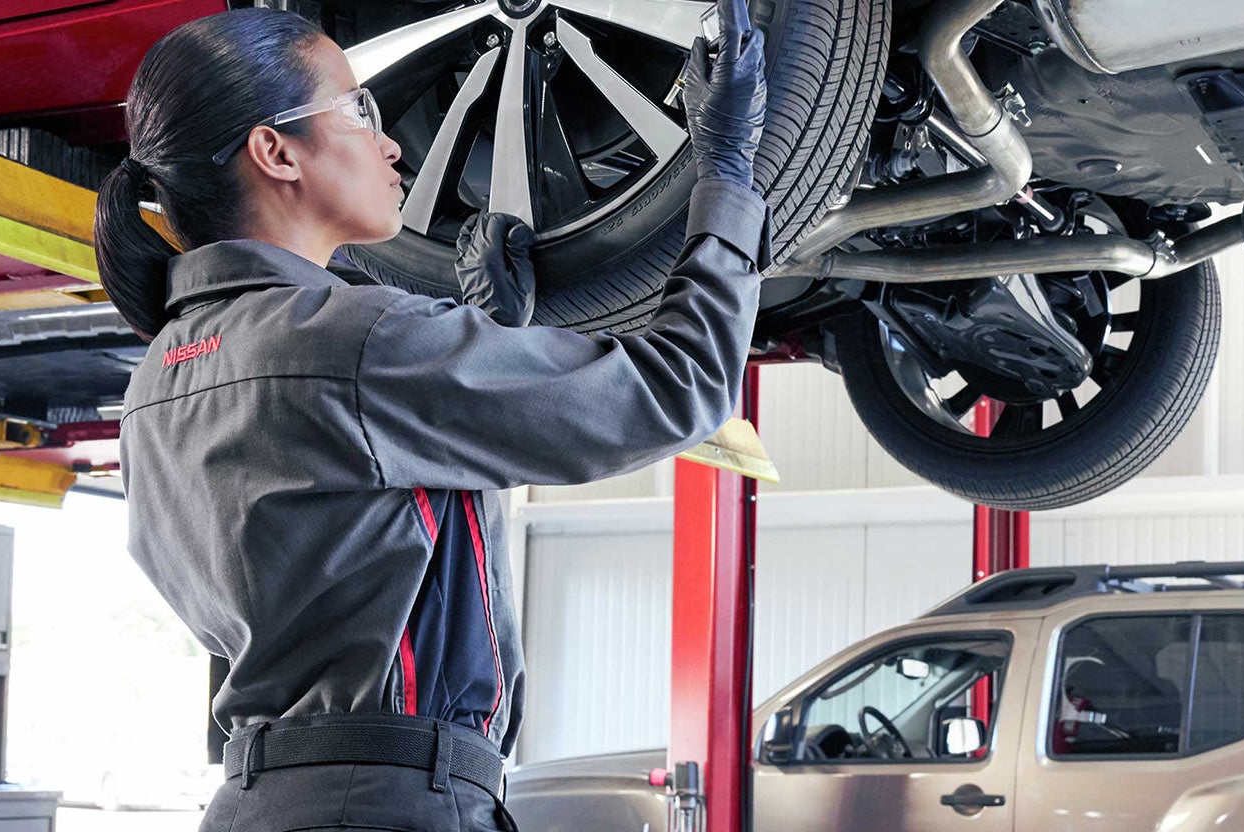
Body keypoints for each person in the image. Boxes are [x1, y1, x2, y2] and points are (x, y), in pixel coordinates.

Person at [91, 2, 768, 829]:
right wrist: (729, 173)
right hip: (379, 803)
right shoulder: (354, 340)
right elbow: (681, 390)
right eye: (357, 109)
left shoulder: (156, 380)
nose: (391, 143)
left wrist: (494, 347)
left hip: (283, 800)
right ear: (274, 151)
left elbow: (363, 546)